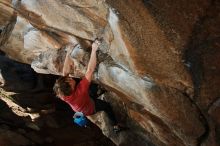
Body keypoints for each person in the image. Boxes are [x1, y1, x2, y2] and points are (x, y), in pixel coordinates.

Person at [53, 40, 121, 132]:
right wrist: (94, 49)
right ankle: (115, 126)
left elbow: (65, 73)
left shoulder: (62, 93)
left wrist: (68, 53)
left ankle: (98, 93)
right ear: (72, 89)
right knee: (107, 106)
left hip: (79, 107)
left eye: (68, 79)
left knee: (92, 88)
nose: (71, 79)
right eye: (70, 81)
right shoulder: (81, 91)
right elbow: (90, 70)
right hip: (90, 108)